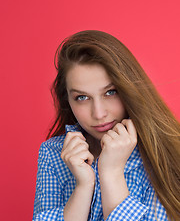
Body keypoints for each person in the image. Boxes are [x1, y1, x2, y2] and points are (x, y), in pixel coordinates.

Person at [33, 30, 180, 221]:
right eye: (82, 97)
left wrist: (112, 173)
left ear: (129, 88)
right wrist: (83, 186)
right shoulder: (54, 154)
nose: (99, 113)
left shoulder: (167, 152)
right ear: (67, 100)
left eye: (110, 92)